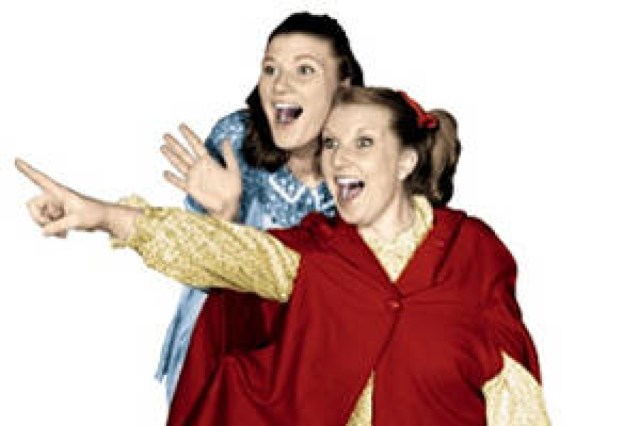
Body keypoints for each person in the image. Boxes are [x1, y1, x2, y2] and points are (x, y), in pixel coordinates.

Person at [16, 86, 550, 424]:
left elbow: (513, 387)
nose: (339, 159)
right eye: (331, 144)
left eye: (363, 143)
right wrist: (105, 216)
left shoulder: (473, 250)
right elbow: (223, 252)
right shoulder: (314, 252)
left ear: (407, 160)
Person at [156, 11, 364, 401]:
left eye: (304, 70)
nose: (280, 85)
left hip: (320, 363)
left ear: (343, 86)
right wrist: (224, 220)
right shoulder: (234, 139)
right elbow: (195, 273)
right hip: (227, 353)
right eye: (270, 69)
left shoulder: (368, 159)